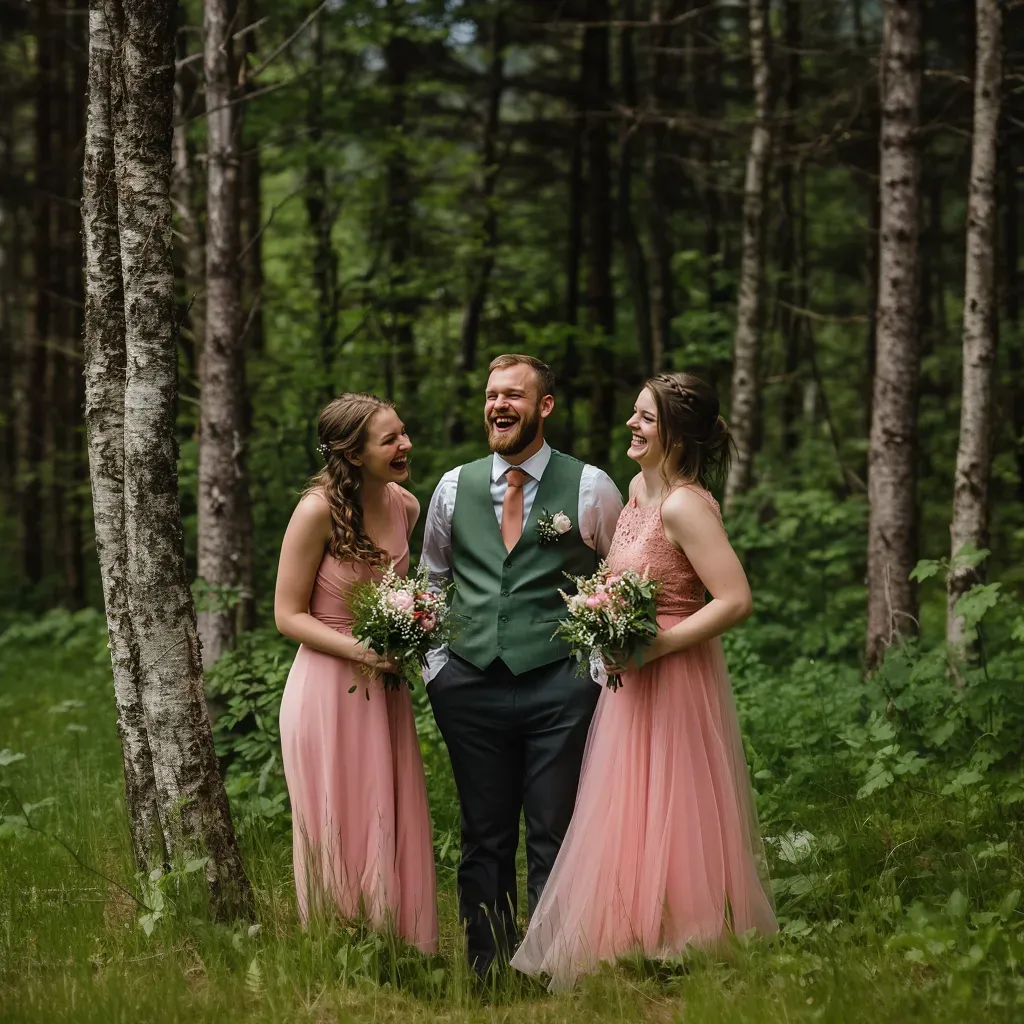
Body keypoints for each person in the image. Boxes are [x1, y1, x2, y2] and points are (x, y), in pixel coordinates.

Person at [511, 372, 778, 989]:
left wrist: (655, 647)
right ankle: (636, 932)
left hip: (675, 670)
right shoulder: (637, 488)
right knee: (629, 799)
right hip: (629, 673)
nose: (631, 425)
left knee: (674, 797)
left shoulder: (686, 504)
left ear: (677, 435)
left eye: (646, 419)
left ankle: (689, 936)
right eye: (634, 414)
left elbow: (735, 600)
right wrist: (601, 612)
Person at [421, 354, 623, 975]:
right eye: (490, 395)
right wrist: (437, 667)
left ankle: (555, 966)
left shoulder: (590, 486)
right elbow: (433, 579)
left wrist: (593, 667)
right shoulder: (452, 487)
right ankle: (486, 969)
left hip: (559, 685)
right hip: (469, 682)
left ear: (545, 407)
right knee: (484, 835)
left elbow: (618, 584)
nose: (499, 406)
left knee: (554, 832)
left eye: (513, 395)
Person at [275, 393, 437, 952]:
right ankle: (336, 948)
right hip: (325, 688)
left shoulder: (405, 507)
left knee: (384, 810)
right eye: (390, 439)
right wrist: (361, 652)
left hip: (385, 690)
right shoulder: (316, 510)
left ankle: (395, 947)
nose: (405, 445)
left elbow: (401, 596)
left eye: (403, 432)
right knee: (335, 816)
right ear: (352, 452)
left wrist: (411, 628)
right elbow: (287, 615)